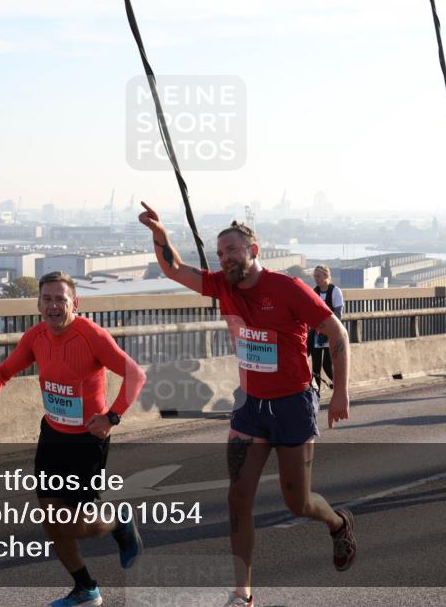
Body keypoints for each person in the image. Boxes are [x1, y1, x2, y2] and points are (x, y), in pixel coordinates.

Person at [138, 202, 355, 607]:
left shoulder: (287, 288)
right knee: (238, 497)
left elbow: (337, 333)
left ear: (254, 251)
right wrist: (159, 232)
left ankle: (338, 522)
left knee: (298, 502)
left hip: (293, 405)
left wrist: (340, 391)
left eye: (232, 250)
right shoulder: (221, 285)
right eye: (220, 254)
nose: (225, 259)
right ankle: (243, 593)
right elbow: (173, 268)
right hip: (250, 407)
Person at [0, 271, 147, 607]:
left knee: (74, 525)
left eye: (61, 299)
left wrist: (112, 417)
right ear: (38, 304)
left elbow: (136, 374)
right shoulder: (36, 337)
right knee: (51, 521)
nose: (53, 305)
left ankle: (120, 523)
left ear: (75, 303)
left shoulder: (91, 336)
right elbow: (4, 372)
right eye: (47, 299)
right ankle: (85, 589)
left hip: (86, 441)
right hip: (52, 436)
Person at [307, 265, 344, 389]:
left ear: (326, 276)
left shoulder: (335, 291)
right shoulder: (314, 292)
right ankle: (316, 394)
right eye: (315, 276)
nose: (316, 279)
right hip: (317, 333)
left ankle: (339, 387)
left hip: (331, 333)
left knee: (327, 365)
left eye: (318, 276)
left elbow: (338, 314)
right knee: (315, 366)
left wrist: (327, 329)